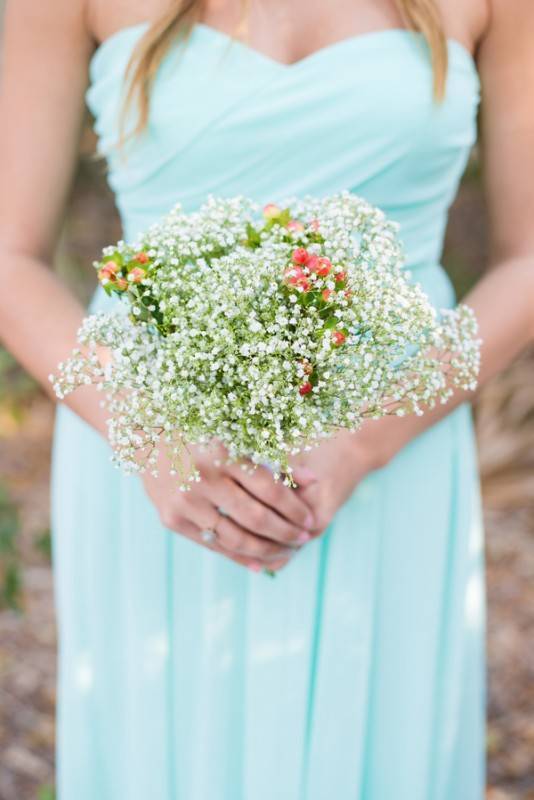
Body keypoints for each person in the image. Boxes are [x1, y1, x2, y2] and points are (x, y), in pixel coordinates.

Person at [0, 0, 533, 797]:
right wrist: (150, 435)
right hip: (153, 457)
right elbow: (9, 256)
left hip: (396, 454)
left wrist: (364, 439)